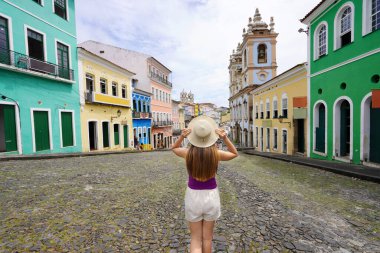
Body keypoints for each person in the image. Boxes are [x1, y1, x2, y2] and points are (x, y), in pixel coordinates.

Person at [171, 115, 238, 253]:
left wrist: (182, 137)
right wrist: (224, 138)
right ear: (210, 136)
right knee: (207, 239)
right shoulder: (215, 154)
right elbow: (234, 153)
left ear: (194, 136)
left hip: (193, 197)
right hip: (211, 197)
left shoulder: (188, 153)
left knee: (195, 238)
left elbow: (174, 148)